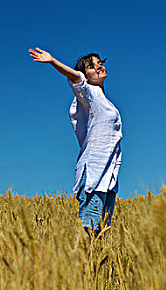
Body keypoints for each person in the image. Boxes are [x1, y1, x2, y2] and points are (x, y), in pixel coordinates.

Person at [28, 47, 122, 237]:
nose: (98, 67)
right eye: (91, 66)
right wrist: (53, 61)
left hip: (109, 175)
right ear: (85, 74)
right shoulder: (90, 93)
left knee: (101, 231)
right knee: (88, 227)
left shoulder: (105, 101)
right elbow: (76, 78)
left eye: (100, 63)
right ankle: (76, 264)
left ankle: (91, 266)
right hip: (94, 172)